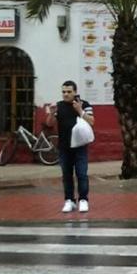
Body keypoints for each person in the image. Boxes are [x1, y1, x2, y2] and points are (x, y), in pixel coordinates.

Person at [46, 81, 95, 213]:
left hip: (80, 147)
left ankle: (83, 200)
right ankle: (69, 201)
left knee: (81, 174)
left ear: (75, 92)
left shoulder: (84, 104)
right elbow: (49, 124)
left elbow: (92, 121)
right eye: (63, 92)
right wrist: (51, 113)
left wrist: (80, 110)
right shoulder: (59, 106)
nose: (66, 94)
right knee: (66, 175)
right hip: (64, 147)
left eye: (68, 92)